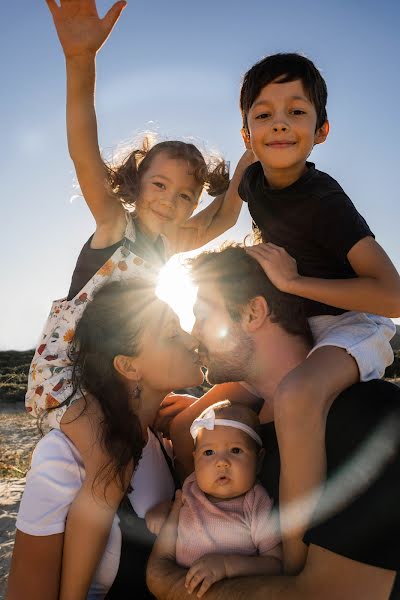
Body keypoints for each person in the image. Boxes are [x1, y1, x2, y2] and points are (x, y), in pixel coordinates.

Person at [24, 1, 252, 597]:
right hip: (71, 371)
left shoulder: (172, 243)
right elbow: (82, 149)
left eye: (185, 194)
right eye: (159, 185)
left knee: (146, 439)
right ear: (134, 183)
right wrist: (81, 62)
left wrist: (252, 150)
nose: (172, 202)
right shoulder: (113, 226)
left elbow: (226, 214)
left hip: (118, 374)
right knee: (109, 462)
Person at [147, 245, 400, 600]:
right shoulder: (230, 429)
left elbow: (327, 594)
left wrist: (167, 583)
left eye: (203, 315)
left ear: (254, 312)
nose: (193, 334)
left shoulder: (368, 419)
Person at [235, 52, 400, 571]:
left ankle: (292, 558)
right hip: (306, 325)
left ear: (321, 130)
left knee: (298, 396)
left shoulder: (325, 198)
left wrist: (292, 281)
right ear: (246, 136)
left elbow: (393, 295)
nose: (279, 122)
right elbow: (216, 218)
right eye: (263, 114)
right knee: (228, 393)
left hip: (357, 323)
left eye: (296, 112)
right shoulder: (253, 182)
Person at [8, 279, 204, 599]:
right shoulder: (64, 459)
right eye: (172, 333)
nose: (192, 340)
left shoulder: (161, 443)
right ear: (128, 366)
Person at [147, 401, 281, 598]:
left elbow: (275, 563)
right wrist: (161, 511)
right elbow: (178, 510)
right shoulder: (190, 487)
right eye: (208, 452)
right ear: (195, 460)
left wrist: (227, 566)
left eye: (235, 450)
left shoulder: (256, 504)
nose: (221, 463)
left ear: (258, 460)